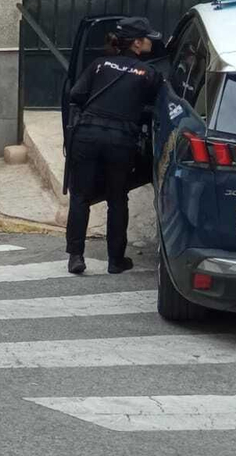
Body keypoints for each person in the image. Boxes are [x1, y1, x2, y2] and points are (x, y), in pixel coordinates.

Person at [63, 17, 162, 275]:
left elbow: (75, 95)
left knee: (80, 196)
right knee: (117, 199)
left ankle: (76, 257)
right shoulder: (149, 74)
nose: (152, 41)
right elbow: (157, 108)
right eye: (148, 37)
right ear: (137, 43)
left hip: (86, 135)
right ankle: (115, 260)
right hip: (120, 141)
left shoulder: (98, 65)